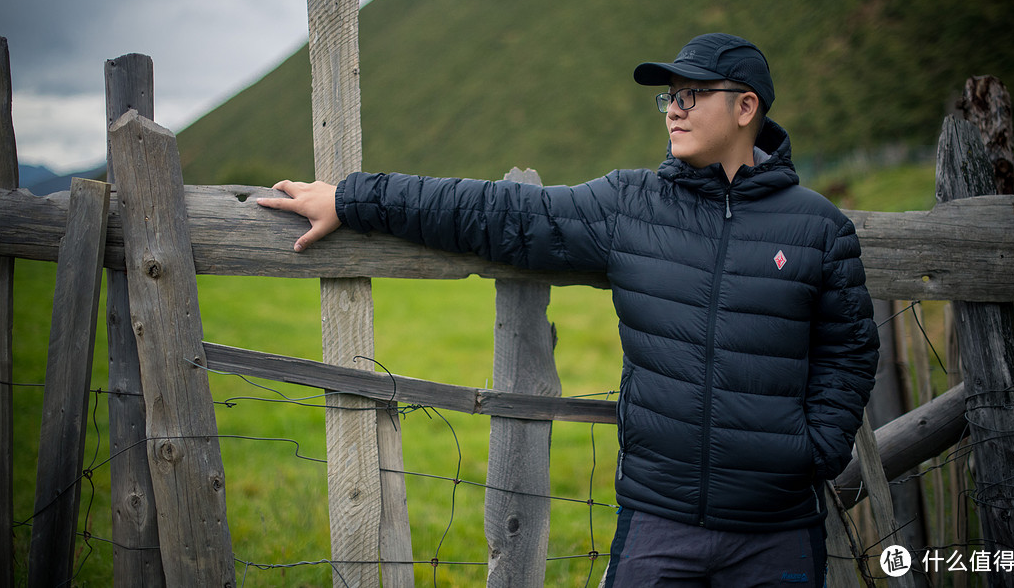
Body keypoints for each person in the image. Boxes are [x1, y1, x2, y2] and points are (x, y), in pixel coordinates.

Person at [257, 33, 879, 587]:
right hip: (657, 520)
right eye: (669, 96)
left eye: (693, 94)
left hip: (776, 528)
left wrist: (814, 450)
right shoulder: (630, 204)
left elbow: (851, 350)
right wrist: (354, 199)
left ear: (746, 108)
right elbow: (495, 213)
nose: (675, 108)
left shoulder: (819, 228)